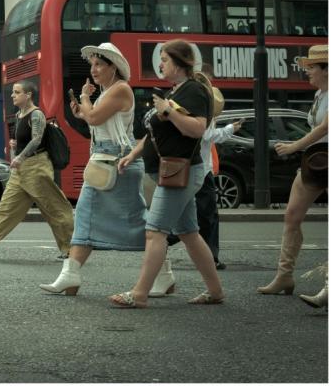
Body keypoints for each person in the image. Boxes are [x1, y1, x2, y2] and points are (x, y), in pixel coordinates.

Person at [109, 39, 224, 308]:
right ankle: (215, 291)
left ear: (180, 63)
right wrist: (132, 155)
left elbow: (197, 129)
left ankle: (139, 294)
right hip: (174, 170)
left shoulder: (193, 90)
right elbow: (153, 134)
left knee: (155, 231)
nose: (160, 64)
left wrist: (169, 111)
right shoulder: (178, 91)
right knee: (189, 233)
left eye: (165, 59)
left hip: (181, 170)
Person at [40, 43, 147, 296]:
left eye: (99, 65)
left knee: (134, 222)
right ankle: (70, 274)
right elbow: (97, 120)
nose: (94, 69)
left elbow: (96, 117)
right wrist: (83, 113)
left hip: (116, 162)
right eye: (93, 65)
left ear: (114, 67)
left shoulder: (119, 89)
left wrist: (86, 100)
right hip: (110, 161)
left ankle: (71, 274)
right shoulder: (112, 90)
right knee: (91, 217)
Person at [0, 80, 74, 262]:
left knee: (55, 208)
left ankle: (70, 249)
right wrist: (15, 146)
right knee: (7, 208)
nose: (12, 95)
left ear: (28, 95)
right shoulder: (19, 114)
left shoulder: (36, 114)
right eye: (13, 92)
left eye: (16, 92)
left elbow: (37, 139)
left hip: (37, 167)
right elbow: (24, 139)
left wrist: (20, 156)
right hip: (21, 170)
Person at [259, 44, 328, 302]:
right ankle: (284, 275)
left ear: (326, 69)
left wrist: (294, 146)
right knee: (291, 216)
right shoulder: (320, 95)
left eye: (311, 68)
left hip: (323, 156)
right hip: (317, 161)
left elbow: (324, 128)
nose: (306, 72)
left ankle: (328, 290)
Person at [165, 84, 240, 272]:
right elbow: (208, 136)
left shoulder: (201, 115)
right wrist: (230, 128)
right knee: (204, 215)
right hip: (199, 169)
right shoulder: (200, 118)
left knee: (202, 214)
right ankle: (165, 239)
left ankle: (168, 239)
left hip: (199, 169)